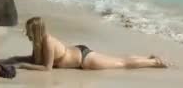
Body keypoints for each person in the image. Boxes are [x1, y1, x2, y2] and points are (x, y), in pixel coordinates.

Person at [18, 16, 168, 71]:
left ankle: (154, 62)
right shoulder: (38, 42)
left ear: (36, 31)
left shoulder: (48, 41)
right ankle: (148, 58)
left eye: (29, 30)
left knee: (123, 63)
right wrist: (15, 60)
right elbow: (34, 60)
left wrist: (22, 65)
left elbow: (47, 68)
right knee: (119, 59)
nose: (27, 33)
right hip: (78, 52)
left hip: (85, 60)